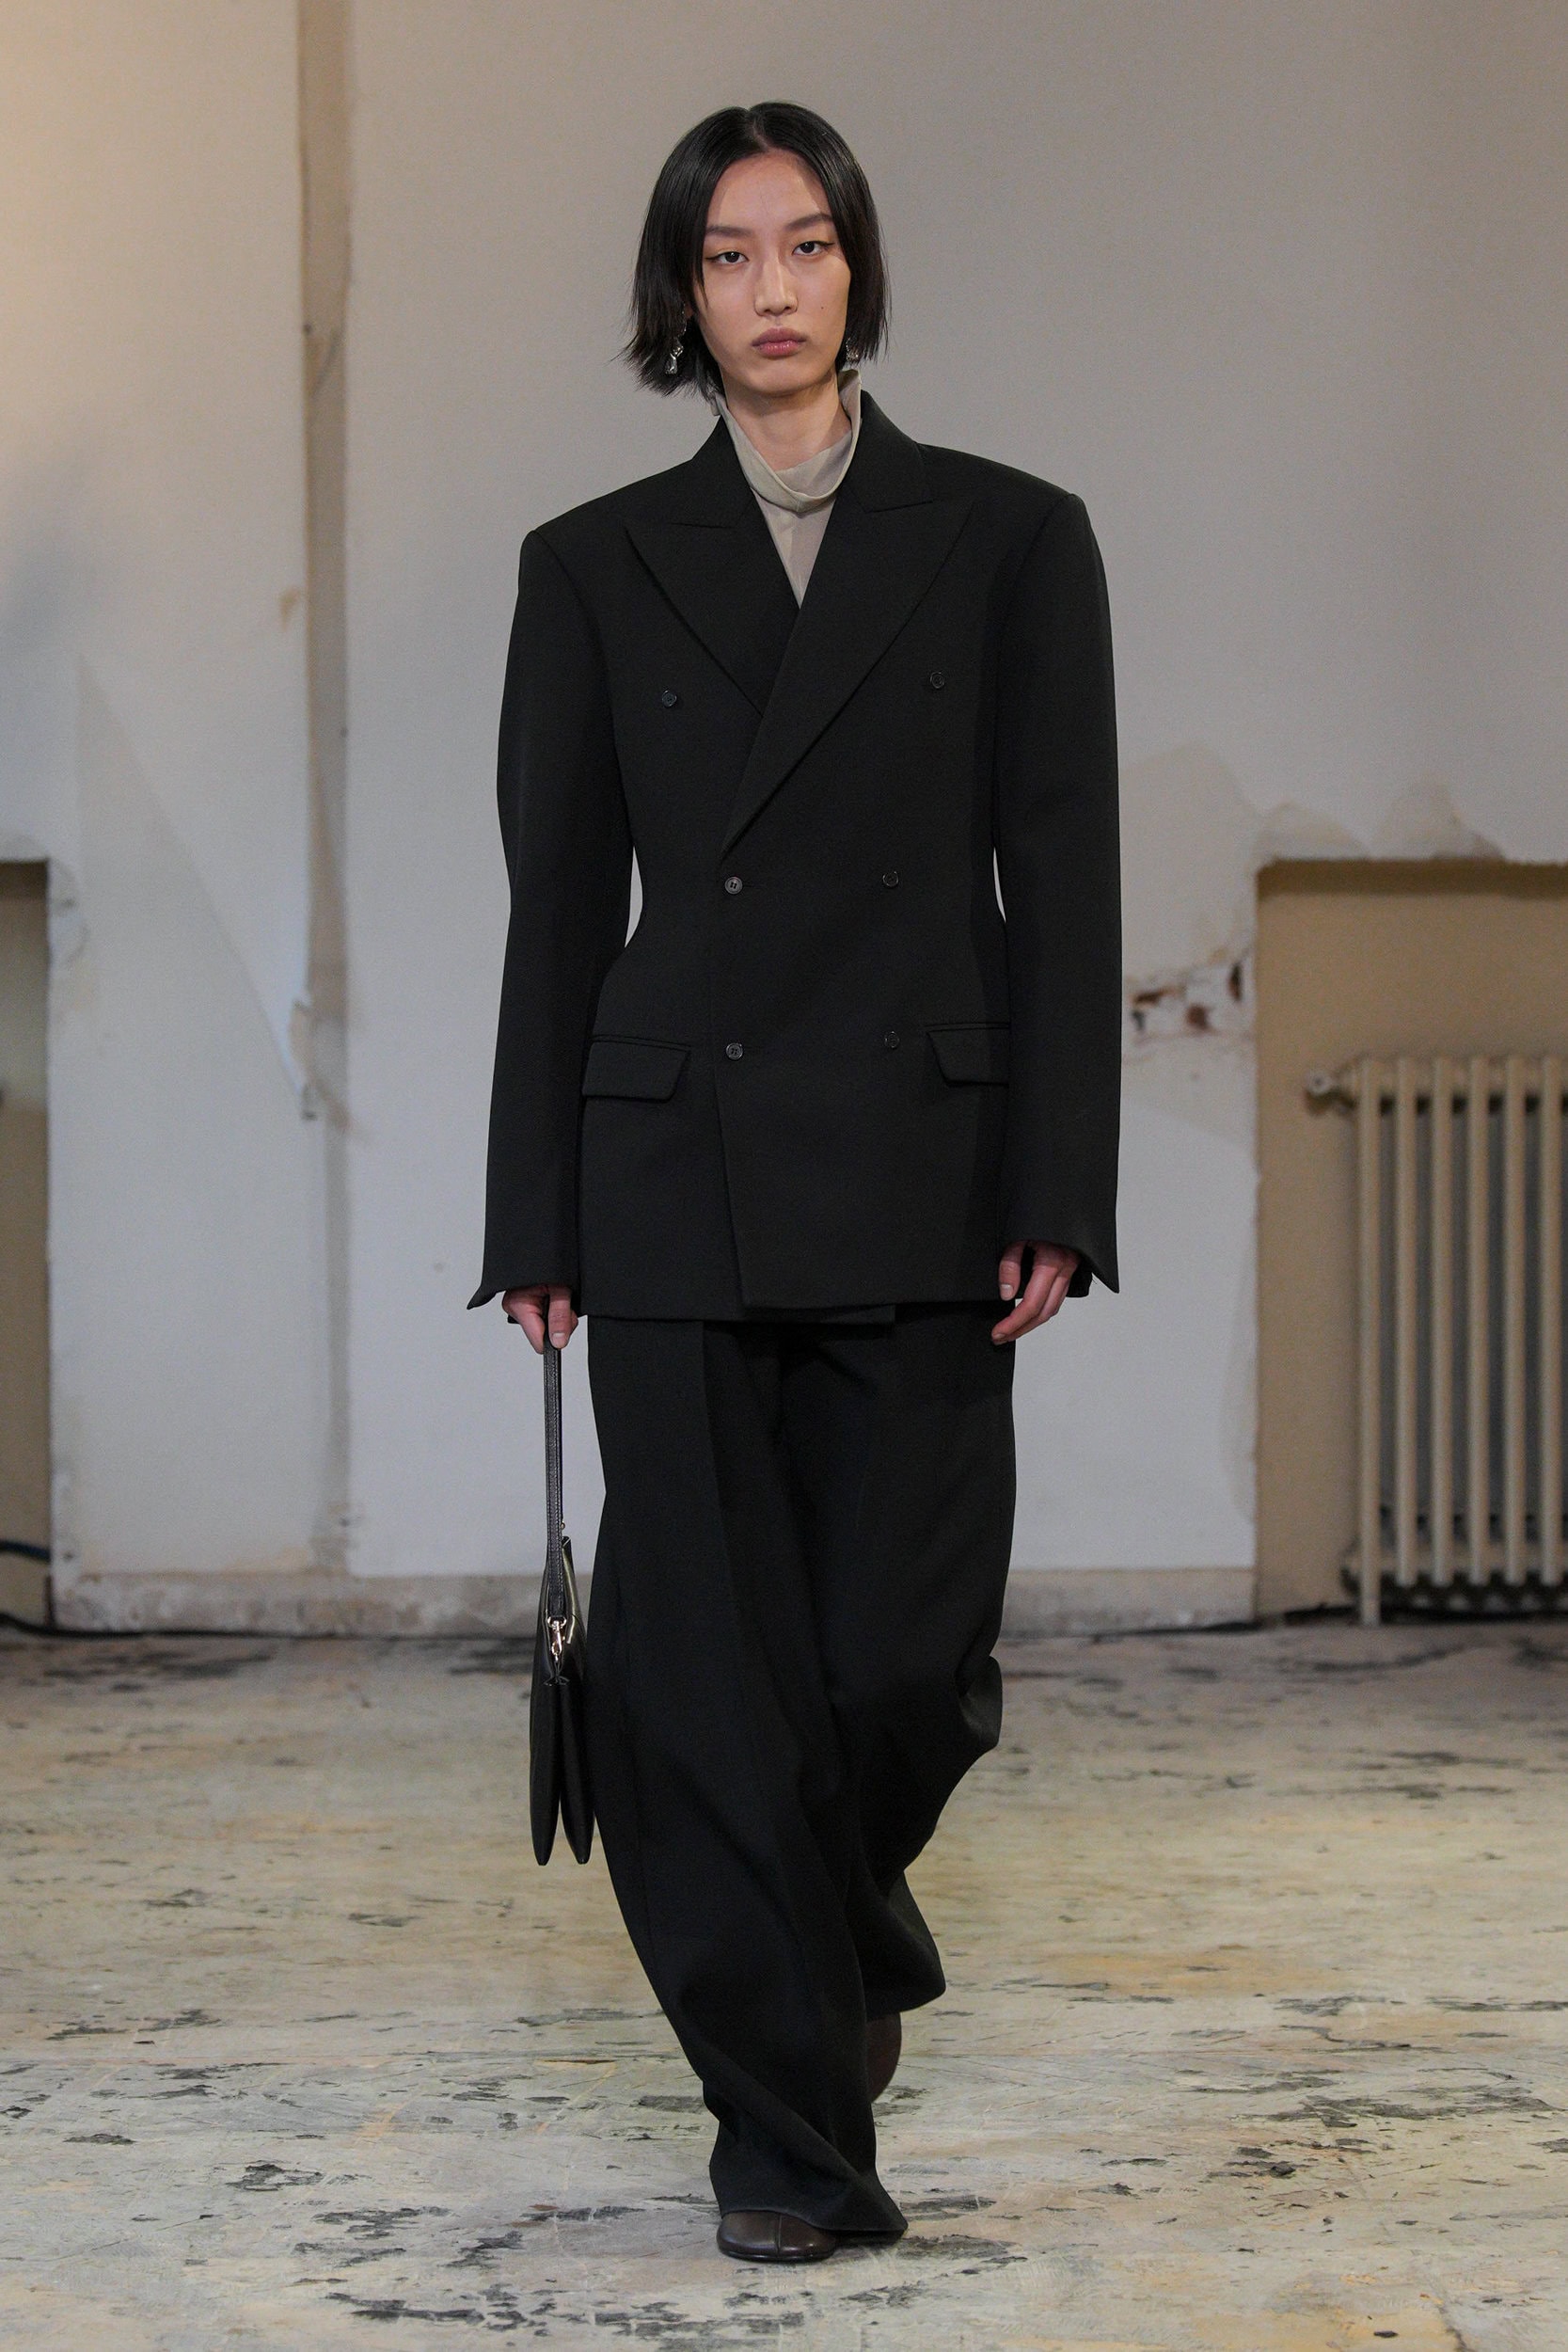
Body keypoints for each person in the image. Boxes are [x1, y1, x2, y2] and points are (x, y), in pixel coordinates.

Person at [469, 101, 1120, 2265]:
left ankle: (845, 1933)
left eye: (810, 242)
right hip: (673, 1172)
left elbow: (1067, 881)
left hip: (928, 1167)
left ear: (858, 270)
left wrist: (1062, 1176)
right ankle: (787, 2140)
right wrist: (533, 1215)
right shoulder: (591, 562)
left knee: (898, 1667)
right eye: (732, 251)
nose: (774, 285)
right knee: (701, 1683)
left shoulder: (1014, 538)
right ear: (684, 292)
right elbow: (558, 909)